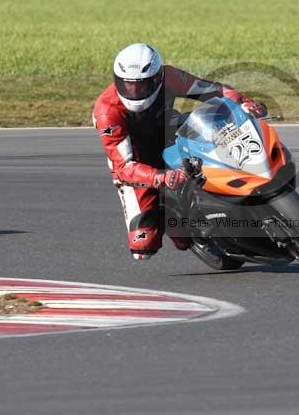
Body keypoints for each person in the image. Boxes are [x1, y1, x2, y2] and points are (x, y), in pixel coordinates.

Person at [92, 43, 267, 261]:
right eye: (128, 86)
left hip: (170, 132)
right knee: (143, 246)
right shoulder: (107, 112)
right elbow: (123, 167)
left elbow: (214, 90)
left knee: (219, 121)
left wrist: (245, 103)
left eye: (143, 85)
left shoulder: (170, 76)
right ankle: (185, 226)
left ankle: (244, 174)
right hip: (137, 162)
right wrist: (160, 177)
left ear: (157, 77)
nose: (135, 92)